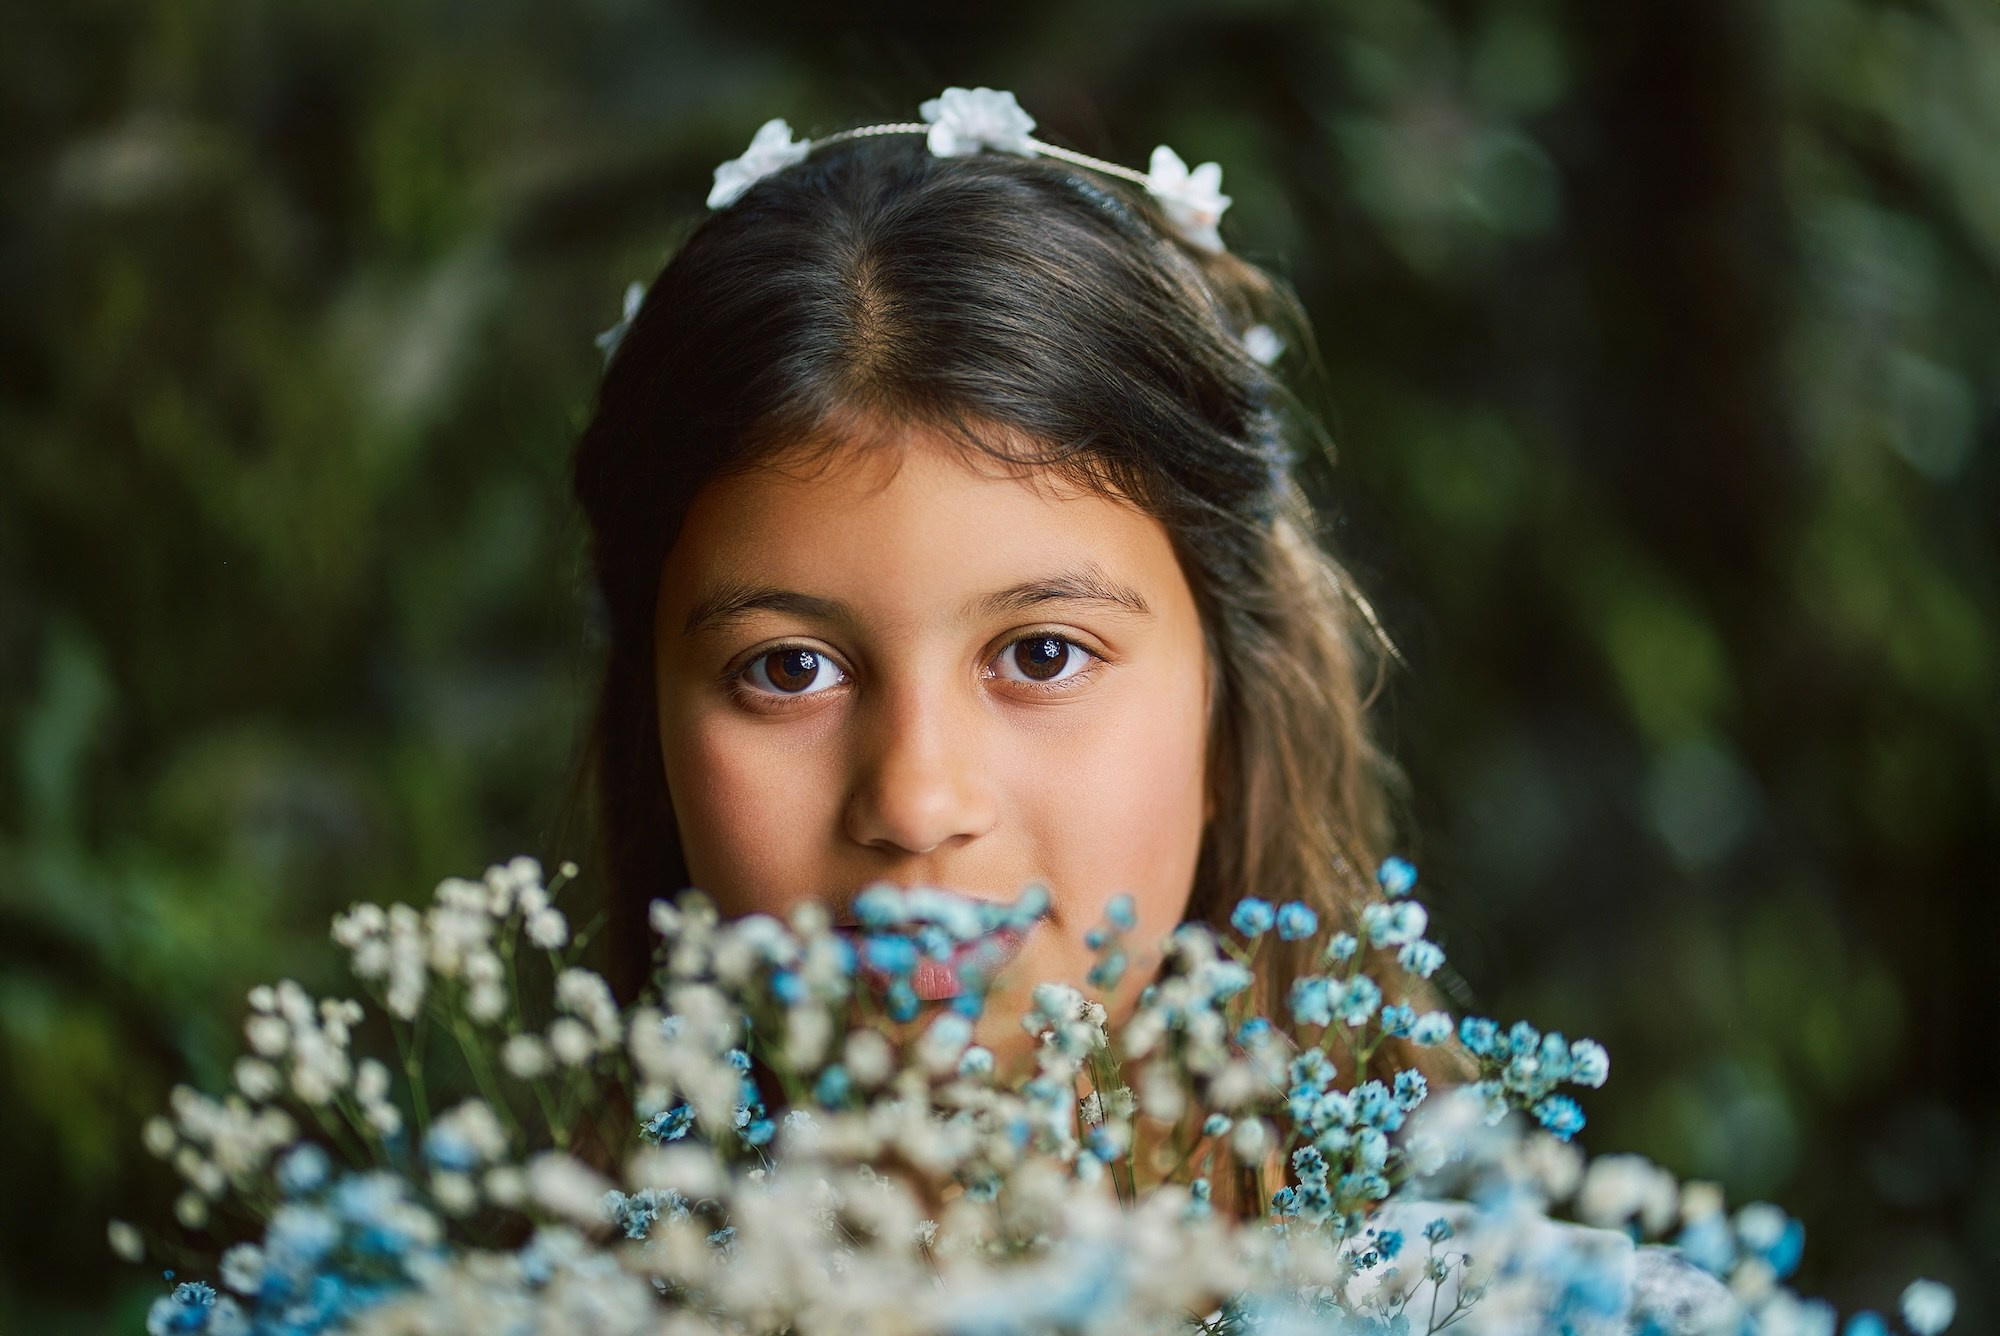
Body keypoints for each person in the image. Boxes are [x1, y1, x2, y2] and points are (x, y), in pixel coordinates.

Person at [570, 89, 1443, 1082]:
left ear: (1228, 696)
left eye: (1042, 653)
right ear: (654, 724)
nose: (914, 801)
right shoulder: (442, 1244)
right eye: (787, 668)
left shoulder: (1491, 1248)